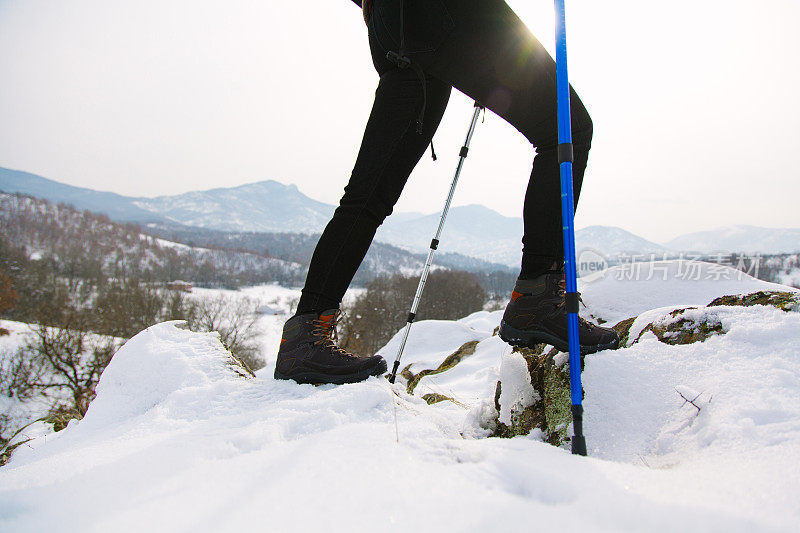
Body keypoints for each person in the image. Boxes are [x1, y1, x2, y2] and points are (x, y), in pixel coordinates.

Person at [274, 0, 619, 385]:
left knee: (367, 195)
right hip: (444, 12)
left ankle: (305, 334)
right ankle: (537, 298)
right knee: (566, 129)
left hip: (393, 23)